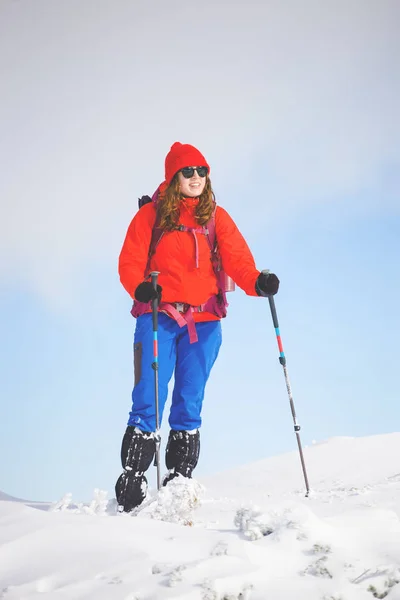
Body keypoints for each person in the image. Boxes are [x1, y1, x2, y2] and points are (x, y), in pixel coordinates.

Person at [115, 142, 279, 512]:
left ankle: (179, 479)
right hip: (158, 317)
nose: (195, 178)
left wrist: (258, 282)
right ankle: (133, 476)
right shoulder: (150, 217)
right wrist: (140, 288)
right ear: (173, 177)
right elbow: (130, 261)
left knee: (190, 402)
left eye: (202, 171)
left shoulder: (216, 217)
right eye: (187, 172)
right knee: (148, 397)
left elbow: (239, 261)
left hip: (205, 324)